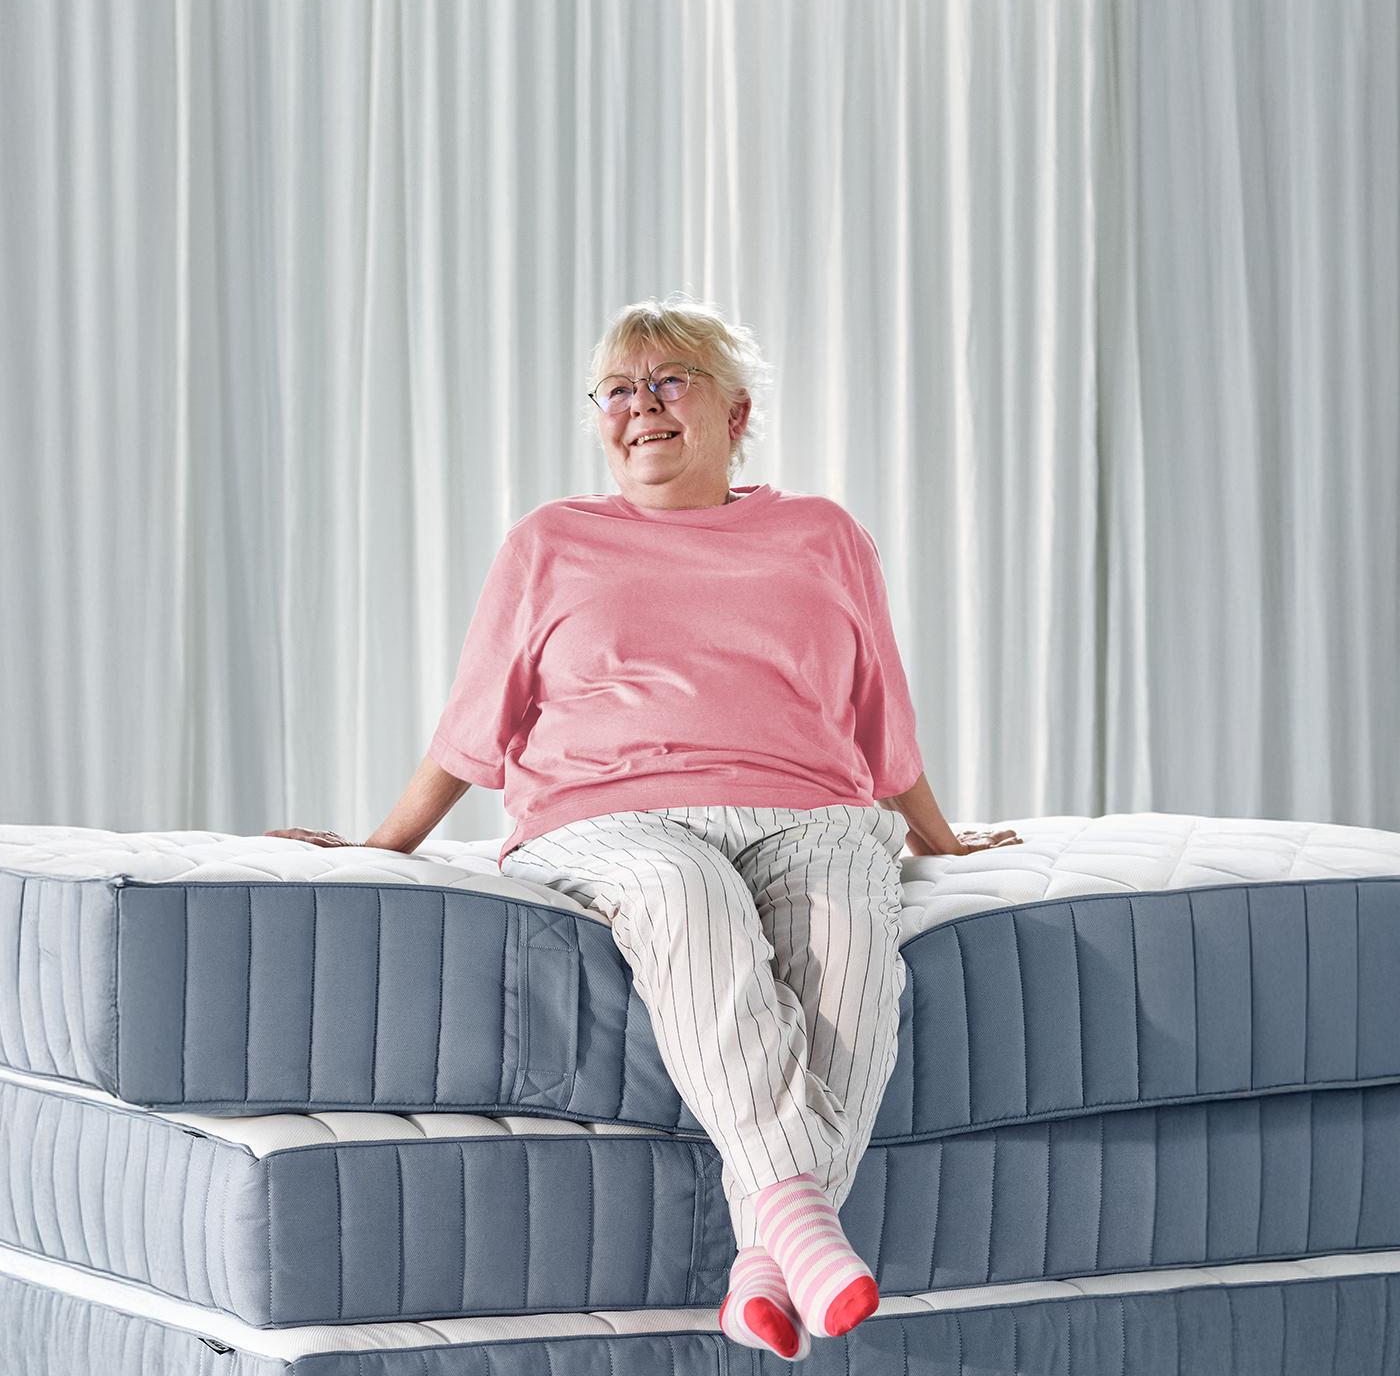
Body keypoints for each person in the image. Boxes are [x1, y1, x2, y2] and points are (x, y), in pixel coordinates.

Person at [269, 292, 1021, 1361]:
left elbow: (877, 707)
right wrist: (381, 841)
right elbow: (476, 718)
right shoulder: (552, 540)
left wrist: (935, 835)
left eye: (671, 381)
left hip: (811, 806)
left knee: (855, 962)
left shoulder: (820, 533)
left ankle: (764, 1262)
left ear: (735, 411)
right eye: (618, 389)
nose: (642, 406)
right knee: (685, 898)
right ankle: (796, 1223)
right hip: (606, 813)